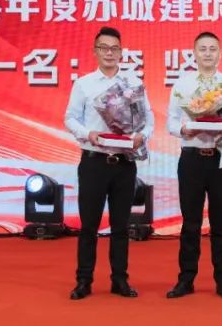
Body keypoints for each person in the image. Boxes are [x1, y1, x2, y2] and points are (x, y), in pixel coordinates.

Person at [63, 26, 154, 300]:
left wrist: (141, 136)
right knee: (89, 226)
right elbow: (70, 118)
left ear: (121, 52)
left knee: (121, 226)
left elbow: (148, 119)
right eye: (104, 48)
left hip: (124, 163)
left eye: (114, 48)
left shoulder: (133, 84)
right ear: (95, 51)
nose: (109, 53)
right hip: (94, 162)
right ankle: (84, 281)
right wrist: (87, 133)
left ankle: (120, 280)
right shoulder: (84, 84)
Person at [166, 31, 222, 300]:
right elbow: (171, 121)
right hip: (191, 159)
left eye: (212, 49)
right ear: (194, 53)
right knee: (190, 223)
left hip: (221, 160)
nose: (207, 53)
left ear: (220, 54)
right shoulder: (183, 84)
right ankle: (186, 279)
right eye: (202, 49)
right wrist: (184, 129)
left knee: (221, 223)